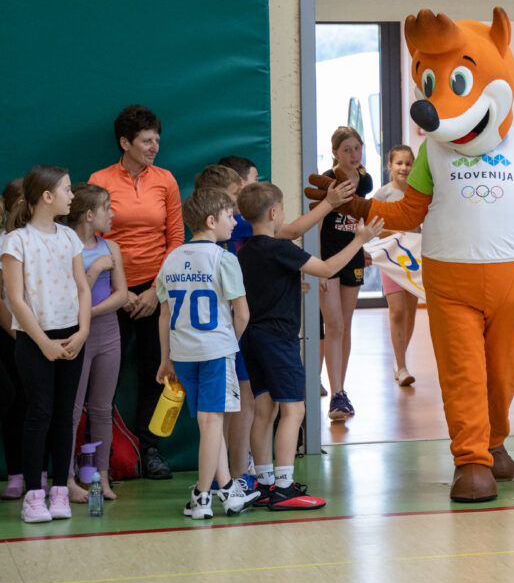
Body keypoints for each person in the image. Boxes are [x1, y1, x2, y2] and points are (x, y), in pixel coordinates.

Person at [239, 183, 381, 511]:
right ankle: (284, 488)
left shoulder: (245, 251)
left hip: (252, 338)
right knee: (294, 410)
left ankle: (264, 484)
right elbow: (328, 269)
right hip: (279, 339)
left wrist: (290, 284)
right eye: (283, 210)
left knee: (264, 410)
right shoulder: (280, 248)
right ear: (274, 213)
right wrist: (359, 240)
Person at [88, 105, 183, 480]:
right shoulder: (100, 180)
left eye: (157, 139)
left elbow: (176, 239)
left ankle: (150, 449)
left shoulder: (166, 180)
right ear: (125, 142)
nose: (154, 146)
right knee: (103, 376)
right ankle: (103, 456)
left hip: (156, 292)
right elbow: (93, 236)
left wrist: (157, 291)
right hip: (111, 291)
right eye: (146, 140)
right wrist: (120, 291)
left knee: (155, 370)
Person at [154, 188, 260, 519]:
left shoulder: (171, 259)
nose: (235, 222)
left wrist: (166, 358)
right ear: (212, 221)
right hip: (215, 350)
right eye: (230, 216)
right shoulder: (224, 258)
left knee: (207, 424)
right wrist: (230, 343)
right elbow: (242, 314)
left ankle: (228, 490)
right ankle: (202, 495)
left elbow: (164, 314)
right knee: (212, 422)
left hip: (183, 352)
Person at [2, 166, 91, 523]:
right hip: (33, 339)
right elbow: (16, 299)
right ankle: (34, 496)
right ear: (47, 196)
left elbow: (82, 288)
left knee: (64, 415)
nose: (73, 196)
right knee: (39, 413)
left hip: (71, 336)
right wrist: (43, 343)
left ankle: (59, 492)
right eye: (67, 189)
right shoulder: (16, 241)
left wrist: (83, 331)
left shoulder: (69, 237)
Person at [64, 184, 126, 503]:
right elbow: (70, 298)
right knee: (72, 410)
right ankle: (66, 479)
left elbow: (121, 293)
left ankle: (101, 477)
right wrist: (96, 270)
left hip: (108, 333)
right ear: (89, 215)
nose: (112, 214)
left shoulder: (111, 247)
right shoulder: (65, 247)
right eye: (107, 208)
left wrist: (91, 312)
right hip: (76, 334)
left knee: (102, 409)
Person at [320, 126, 373, 420]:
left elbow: (359, 219)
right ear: (335, 153)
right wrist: (316, 265)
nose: (354, 155)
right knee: (334, 325)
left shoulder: (365, 180)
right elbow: (317, 223)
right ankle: (335, 393)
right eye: (347, 150)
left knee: (346, 324)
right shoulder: (327, 181)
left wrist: (362, 248)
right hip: (328, 261)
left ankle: (340, 390)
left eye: (357, 148)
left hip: (352, 256)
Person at [373, 145, 421, 387]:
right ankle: (401, 366)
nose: (404, 168)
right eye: (399, 163)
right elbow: (373, 227)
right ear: (390, 166)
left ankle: (399, 359)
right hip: (391, 259)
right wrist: (394, 233)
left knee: (410, 312)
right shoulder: (382, 195)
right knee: (398, 310)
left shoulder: (418, 194)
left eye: (408, 163)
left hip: (414, 259)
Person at [0, 180, 29, 500]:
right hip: (13, 334)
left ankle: (41, 475)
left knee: (38, 405)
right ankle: (16, 474)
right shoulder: (4, 242)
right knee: (14, 402)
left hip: (41, 333)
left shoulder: (44, 238)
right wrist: (19, 334)